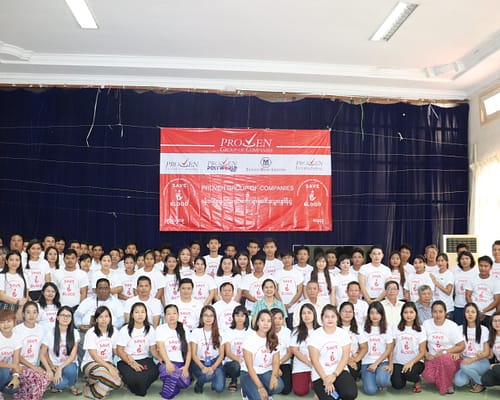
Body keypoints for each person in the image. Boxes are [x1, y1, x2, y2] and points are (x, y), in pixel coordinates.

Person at [308, 304, 358, 400]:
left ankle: (335, 393)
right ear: (322, 318)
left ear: (337, 318)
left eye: (332, 316)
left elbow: (345, 357)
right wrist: (326, 379)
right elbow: (314, 360)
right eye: (326, 317)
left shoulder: (343, 333)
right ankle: (321, 394)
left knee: (351, 394)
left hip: (339, 371)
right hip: (321, 374)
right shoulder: (315, 335)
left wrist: (334, 375)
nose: (330, 319)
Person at [116, 302, 159, 396]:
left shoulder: (150, 329)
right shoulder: (125, 329)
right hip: (126, 359)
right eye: (137, 312)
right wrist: (131, 363)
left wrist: (162, 359)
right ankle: (135, 386)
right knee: (133, 378)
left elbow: (153, 350)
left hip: (145, 358)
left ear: (146, 314)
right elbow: (119, 350)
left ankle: (138, 387)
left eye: (143, 312)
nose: (140, 315)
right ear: (132, 315)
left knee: (154, 373)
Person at [422, 300, 465, 395]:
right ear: (431, 313)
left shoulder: (452, 326)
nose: (438, 314)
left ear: (445, 312)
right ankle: (445, 378)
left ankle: (447, 385)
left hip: (450, 358)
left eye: (440, 311)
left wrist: (445, 351)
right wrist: (426, 354)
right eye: (435, 311)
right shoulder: (426, 324)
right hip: (433, 358)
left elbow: (461, 345)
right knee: (428, 377)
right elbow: (421, 342)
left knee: (443, 358)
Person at [240, 309, 284, 400]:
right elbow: (249, 367)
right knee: (258, 398)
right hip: (248, 373)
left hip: (265, 371)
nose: (266, 323)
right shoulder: (250, 339)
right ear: (257, 322)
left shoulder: (274, 338)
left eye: (269, 321)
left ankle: (264, 392)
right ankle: (246, 391)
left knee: (279, 386)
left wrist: (274, 376)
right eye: (262, 320)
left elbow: (276, 361)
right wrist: (260, 388)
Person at [81, 306, 123, 399]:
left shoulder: (114, 331)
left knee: (117, 383)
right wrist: (110, 368)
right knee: (113, 381)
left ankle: (91, 387)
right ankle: (94, 383)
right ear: (96, 319)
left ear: (110, 318)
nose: (104, 319)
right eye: (100, 317)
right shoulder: (91, 333)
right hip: (90, 364)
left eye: (106, 316)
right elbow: (94, 356)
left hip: (107, 363)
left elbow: (116, 351)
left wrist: (127, 358)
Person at [12, 301, 51, 400]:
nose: (31, 315)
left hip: (34, 366)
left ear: (38, 314)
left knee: (47, 378)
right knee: (37, 379)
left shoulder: (41, 330)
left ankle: (22, 395)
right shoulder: (17, 330)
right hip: (19, 366)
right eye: (28, 312)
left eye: (34, 312)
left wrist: (49, 368)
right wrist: (33, 367)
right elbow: (17, 356)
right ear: (23, 314)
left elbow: (44, 352)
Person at [40, 306, 82, 395]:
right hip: (53, 366)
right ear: (58, 317)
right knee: (59, 384)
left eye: (68, 316)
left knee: (71, 370)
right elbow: (42, 354)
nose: (65, 318)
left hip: (68, 365)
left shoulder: (75, 333)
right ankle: (57, 383)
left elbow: (72, 356)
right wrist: (49, 368)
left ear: (71, 318)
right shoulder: (50, 332)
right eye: (63, 315)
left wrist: (60, 368)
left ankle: (71, 385)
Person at [156, 304, 191, 400]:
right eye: (168, 314)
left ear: (178, 315)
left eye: (174, 313)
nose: (172, 316)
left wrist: (186, 367)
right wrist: (168, 363)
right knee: (170, 371)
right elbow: (161, 347)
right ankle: (167, 393)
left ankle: (171, 386)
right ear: (165, 316)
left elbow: (189, 351)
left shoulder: (185, 328)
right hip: (166, 362)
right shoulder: (161, 329)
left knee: (185, 383)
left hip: (181, 364)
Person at [453, 302, 490, 393]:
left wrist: (473, 359)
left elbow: (487, 353)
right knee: (458, 382)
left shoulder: (484, 329)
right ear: (464, 314)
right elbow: (457, 347)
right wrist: (458, 353)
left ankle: (481, 383)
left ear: (477, 314)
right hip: (465, 360)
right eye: (467, 312)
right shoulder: (459, 328)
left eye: (473, 312)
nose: (470, 314)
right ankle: (472, 377)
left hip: (481, 361)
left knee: (464, 365)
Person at [391, 301, 426, 392]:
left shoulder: (421, 329)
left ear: (416, 314)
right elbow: (392, 347)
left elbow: (422, 352)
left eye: (411, 312)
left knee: (409, 373)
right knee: (397, 385)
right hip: (398, 362)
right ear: (402, 314)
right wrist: (391, 363)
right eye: (405, 312)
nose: (408, 315)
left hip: (415, 362)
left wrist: (411, 363)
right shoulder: (396, 327)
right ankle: (403, 376)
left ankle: (417, 381)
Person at [190, 305, 225, 394]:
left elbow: (221, 355)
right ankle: (199, 384)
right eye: (206, 315)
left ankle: (214, 377)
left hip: (215, 362)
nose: (208, 318)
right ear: (201, 317)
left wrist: (213, 367)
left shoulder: (220, 332)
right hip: (199, 362)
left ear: (214, 318)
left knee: (219, 388)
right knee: (208, 376)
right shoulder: (196, 332)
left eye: (211, 315)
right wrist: (203, 367)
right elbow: (193, 354)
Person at [361, 301, 394, 394]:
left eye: (377, 313)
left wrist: (390, 364)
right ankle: (371, 378)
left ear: (382, 314)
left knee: (382, 381)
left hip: (383, 361)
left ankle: (381, 378)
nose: (374, 316)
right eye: (372, 313)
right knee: (370, 391)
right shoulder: (363, 329)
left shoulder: (387, 328)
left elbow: (389, 349)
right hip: (367, 362)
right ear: (368, 315)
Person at [290, 303, 320, 396]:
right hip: (301, 365)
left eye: (309, 313)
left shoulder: (320, 330)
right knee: (300, 392)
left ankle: (312, 382)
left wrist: (315, 365)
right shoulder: (296, 331)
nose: (306, 315)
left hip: (318, 366)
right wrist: (310, 364)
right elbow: (295, 350)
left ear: (314, 314)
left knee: (321, 388)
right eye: (304, 313)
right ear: (300, 316)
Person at [465, 255, 500, 327]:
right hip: (474, 314)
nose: (483, 268)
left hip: (489, 315)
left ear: (490, 267)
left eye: (486, 266)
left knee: (489, 336)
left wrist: (483, 311)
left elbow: (496, 300)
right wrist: (475, 311)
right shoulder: (472, 279)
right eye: (481, 265)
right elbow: (468, 296)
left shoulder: (496, 281)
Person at [222, 305, 249, 393]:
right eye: (237, 315)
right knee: (236, 365)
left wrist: (246, 361)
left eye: (242, 316)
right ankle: (233, 381)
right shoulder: (228, 331)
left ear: (246, 317)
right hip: (231, 363)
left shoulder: (251, 332)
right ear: (233, 317)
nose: (239, 318)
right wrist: (241, 361)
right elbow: (228, 352)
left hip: (247, 360)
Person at [338, 301, 367, 381]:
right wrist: (347, 360)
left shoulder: (357, 328)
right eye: (344, 311)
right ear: (339, 313)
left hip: (353, 359)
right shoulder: (334, 328)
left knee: (352, 374)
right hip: (338, 359)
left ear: (353, 314)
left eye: (350, 311)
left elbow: (364, 347)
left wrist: (355, 360)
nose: (347, 314)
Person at [274, 250, 303, 329]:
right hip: (280, 306)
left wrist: (290, 304)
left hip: (294, 307)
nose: (287, 260)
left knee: (293, 330)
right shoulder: (277, 273)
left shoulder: (297, 273)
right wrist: (282, 305)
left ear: (293, 258)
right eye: (284, 258)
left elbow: (300, 291)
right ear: (281, 259)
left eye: (289, 258)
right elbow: (275, 290)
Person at [0, 250, 28, 320]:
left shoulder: (24, 275)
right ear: (6, 261)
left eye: (17, 260)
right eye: (11, 260)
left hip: (21, 308)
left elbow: (26, 295)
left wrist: (21, 308)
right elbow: (1, 296)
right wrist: (17, 302)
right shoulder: (2, 275)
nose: (14, 262)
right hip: (5, 307)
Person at [0, 309, 21, 397]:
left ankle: (2, 389)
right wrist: (12, 366)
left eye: (9, 321)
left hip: (5, 369)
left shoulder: (17, 338)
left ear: (14, 322)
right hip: (3, 370)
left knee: (15, 388)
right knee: (4, 371)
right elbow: (14, 365)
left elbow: (16, 361)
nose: (6, 325)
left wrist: (15, 377)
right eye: (2, 322)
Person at [454, 251, 477, 326]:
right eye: (462, 259)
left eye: (467, 258)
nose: (464, 261)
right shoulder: (455, 273)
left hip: (472, 306)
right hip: (458, 306)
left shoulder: (476, 273)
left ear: (471, 260)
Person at [272, 308, 292, 394]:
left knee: (286, 390)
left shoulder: (287, 332)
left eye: (280, 318)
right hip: (269, 364)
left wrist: (279, 363)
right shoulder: (266, 331)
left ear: (283, 320)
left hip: (284, 363)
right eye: (274, 318)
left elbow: (289, 352)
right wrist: (275, 366)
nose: (277, 321)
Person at [431, 253, 455, 319]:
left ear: (447, 261)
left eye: (442, 260)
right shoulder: (434, 274)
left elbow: (448, 291)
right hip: (435, 308)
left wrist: (436, 282)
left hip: (447, 308)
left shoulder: (449, 274)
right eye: (438, 261)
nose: (440, 263)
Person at [481, 311, 500, 387]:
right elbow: (490, 355)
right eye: (495, 321)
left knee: (495, 368)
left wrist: (496, 365)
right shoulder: (492, 337)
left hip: (498, 366)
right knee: (486, 379)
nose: (497, 323)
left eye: (499, 321)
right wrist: (481, 354)